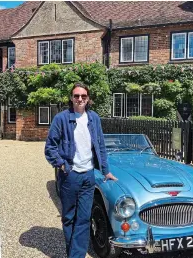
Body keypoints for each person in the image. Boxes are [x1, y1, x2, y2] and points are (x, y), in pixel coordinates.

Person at [45, 82, 118, 258]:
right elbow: (50, 147)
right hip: (69, 176)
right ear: (71, 98)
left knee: (84, 218)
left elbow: (100, 146)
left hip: (88, 176)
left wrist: (106, 170)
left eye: (83, 96)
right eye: (76, 96)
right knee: (69, 218)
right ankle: (74, 253)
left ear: (88, 99)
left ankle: (75, 255)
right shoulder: (61, 119)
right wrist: (62, 164)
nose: (80, 99)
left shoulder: (94, 118)